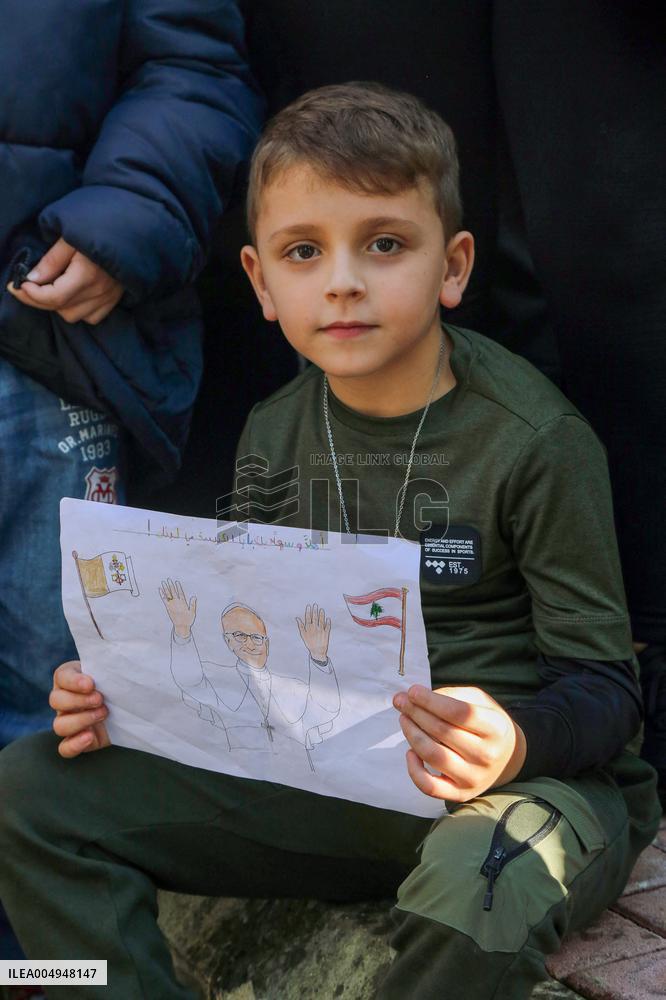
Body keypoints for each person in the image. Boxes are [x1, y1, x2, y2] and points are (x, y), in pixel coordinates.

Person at [0, 84, 660, 999]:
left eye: (384, 244)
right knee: (29, 788)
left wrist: (511, 741)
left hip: (521, 790)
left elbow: (607, 691)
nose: (343, 280)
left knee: (484, 882)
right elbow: (250, 660)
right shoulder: (274, 432)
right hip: (330, 776)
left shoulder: (536, 442)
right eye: (304, 252)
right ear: (262, 283)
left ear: (454, 265)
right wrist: (126, 697)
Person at [0, 0, 263, 750]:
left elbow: (194, 65)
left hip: (49, 341)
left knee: (58, 732)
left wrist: (131, 212)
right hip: (57, 335)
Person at [160, 582, 340, 756]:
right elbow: (189, 679)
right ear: (227, 641)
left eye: (256, 637)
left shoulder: (293, 687)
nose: (250, 644)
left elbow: (325, 711)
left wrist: (319, 658)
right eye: (239, 635)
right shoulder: (217, 679)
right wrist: (182, 631)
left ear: (267, 644)